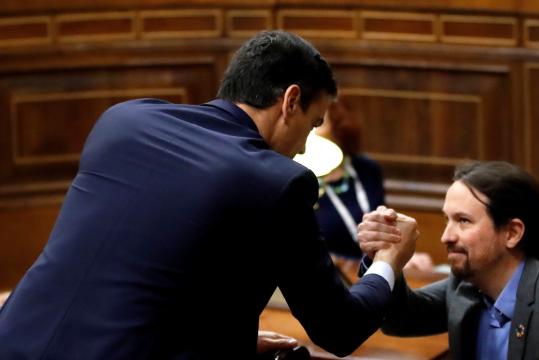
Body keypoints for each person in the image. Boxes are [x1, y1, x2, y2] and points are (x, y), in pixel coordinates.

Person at [0, 31, 417, 359]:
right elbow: (338, 329)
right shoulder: (279, 181)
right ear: (290, 100)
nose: (305, 147)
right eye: (312, 124)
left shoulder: (123, 121)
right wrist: (387, 263)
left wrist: (224, 343)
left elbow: (142, 274)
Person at [357, 161, 539, 360]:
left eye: (463, 221)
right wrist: (384, 258)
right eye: (447, 220)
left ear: (512, 233)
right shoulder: (464, 287)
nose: (446, 237)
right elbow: (401, 319)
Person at [314, 99, 433, 274]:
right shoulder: (299, 180)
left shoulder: (366, 169)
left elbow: (384, 228)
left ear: (338, 126)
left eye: (319, 122)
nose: (312, 133)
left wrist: (402, 258)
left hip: (374, 269)